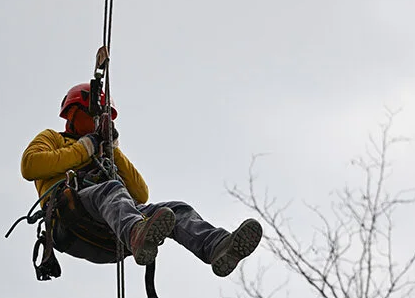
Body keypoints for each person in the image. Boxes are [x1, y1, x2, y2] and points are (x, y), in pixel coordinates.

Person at [20, 82, 262, 277]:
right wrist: (86, 147)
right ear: (73, 113)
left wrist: (112, 151)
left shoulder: (103, 155)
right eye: (93, 115)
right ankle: (136, 232)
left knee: (176, 210)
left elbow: (140, 193)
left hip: (113, 228)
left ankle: (217, 247)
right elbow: (30, 166)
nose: (97, 122)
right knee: (111, 190)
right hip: (70, 216)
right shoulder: (54, 138)